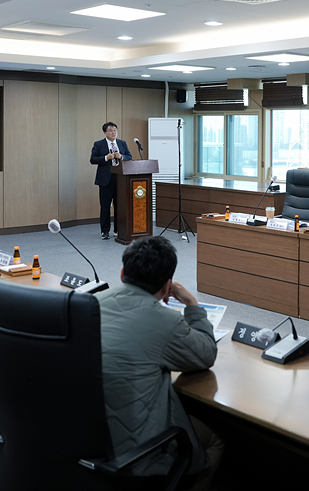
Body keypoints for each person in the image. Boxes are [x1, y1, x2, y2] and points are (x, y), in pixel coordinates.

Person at [96, 237, 223, 490]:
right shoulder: (166, 321)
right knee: (213, 441)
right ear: (167, 287)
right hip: (133, 444)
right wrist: (192, 305)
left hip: (87, 432)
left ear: (122, 273)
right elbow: (206, 354)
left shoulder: (91, 302)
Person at [90, 122, 132, 239]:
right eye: (110, 130)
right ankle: (105, 231)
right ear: (105, 133)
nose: (113, 133)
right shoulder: (98, 144)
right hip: (105, 180)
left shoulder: (122, 143)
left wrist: (121, 157)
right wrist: (106, 157)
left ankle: (118, 229)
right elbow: (93, 159)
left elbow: (129, 157)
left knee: (120, 206)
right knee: (105, 206)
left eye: (115, 130)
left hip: (120, 179)